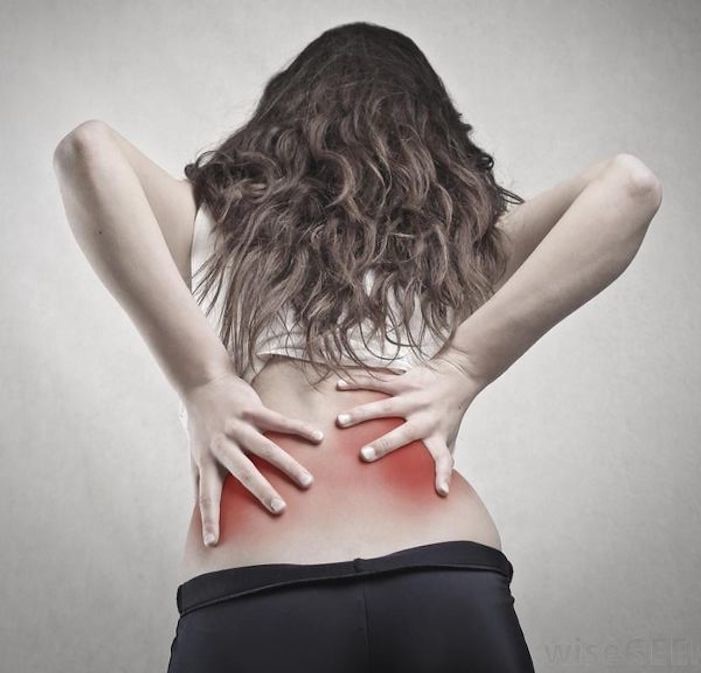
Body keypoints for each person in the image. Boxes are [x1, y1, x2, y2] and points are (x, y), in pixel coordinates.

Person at [52, 21, 662, 673]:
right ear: (431, 132)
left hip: (257, 579)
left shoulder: (208, 218)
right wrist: (462, 364)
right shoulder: (455, 249)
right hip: (443, 571)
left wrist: (202, 379)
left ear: (282, 116)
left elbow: (87, 150)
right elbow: (631, 186)